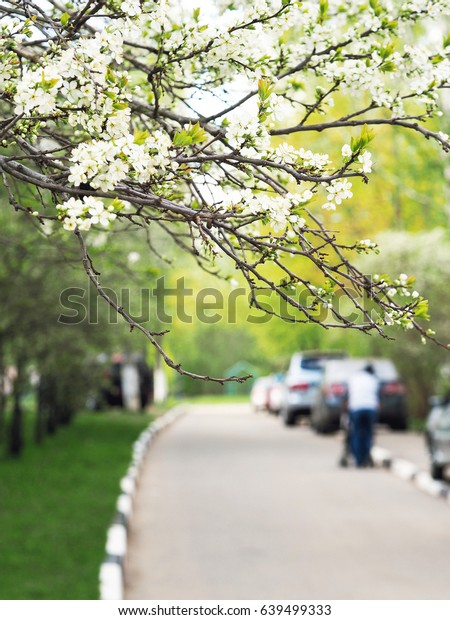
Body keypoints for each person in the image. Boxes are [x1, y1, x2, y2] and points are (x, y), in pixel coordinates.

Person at [345, 363, 380, 468]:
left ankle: (358, 459)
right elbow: (378, 397)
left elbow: (347, 395)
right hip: (370, 408)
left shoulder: (354, 378)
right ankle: (365, 457)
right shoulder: (374, 380)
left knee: (356, 433)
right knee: (368, 433)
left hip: (356, 408)